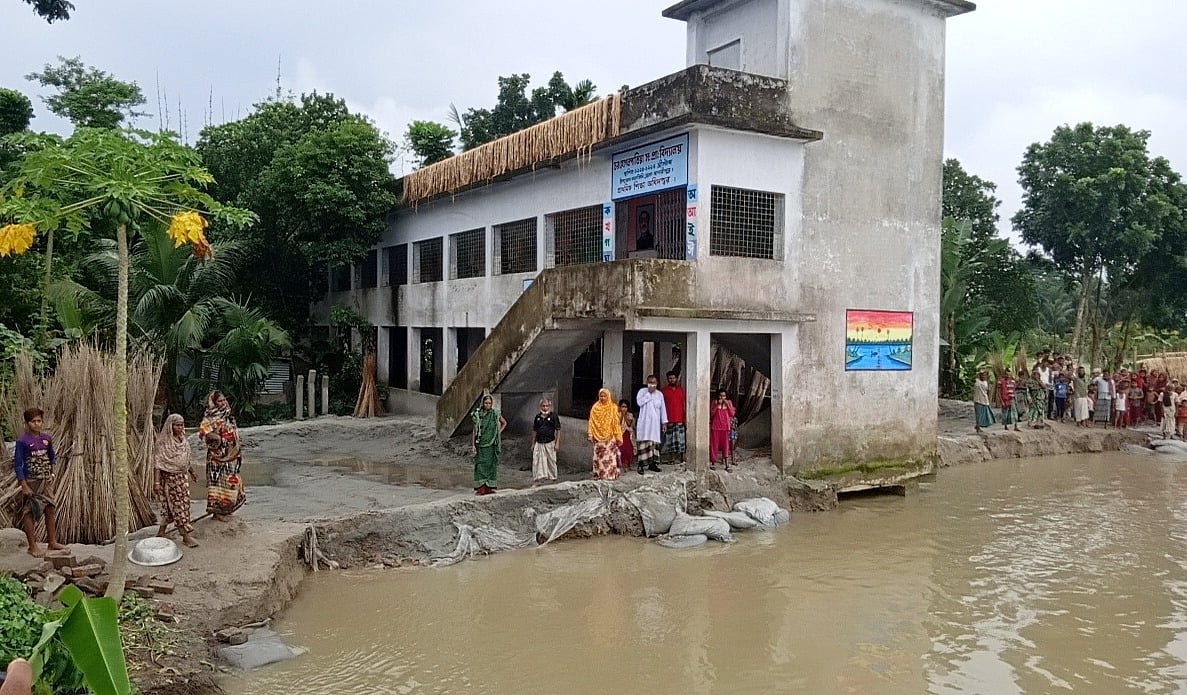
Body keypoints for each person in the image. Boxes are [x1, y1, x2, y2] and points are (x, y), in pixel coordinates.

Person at [9, 408, 66, 557]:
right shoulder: (22, 442)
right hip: (31, 481)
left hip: (45, 481)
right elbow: (18, 464)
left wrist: (52, 472)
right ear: (27, 423)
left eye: (39, 421)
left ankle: (52, 542)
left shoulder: (46, 438)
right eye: (33, 421)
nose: (37, 424)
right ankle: (32, 546)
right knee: (30, 512)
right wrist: (23, 484)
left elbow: (52, 456)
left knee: (50, 509)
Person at [198, 391, 247, 519]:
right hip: (216, 459)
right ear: (213, 403)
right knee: (217, 484)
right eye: (220, 401)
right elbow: (204, 434)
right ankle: (217, 512)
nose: (223, 403)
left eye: (224, 400)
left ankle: (226, 510)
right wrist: (218, 439)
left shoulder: (228, 415)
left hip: (230, 457)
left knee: (231, 482)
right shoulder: (209, 418)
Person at [154, 413, 198, 547]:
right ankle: (185, 536)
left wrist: (192, 472)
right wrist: (156, 483)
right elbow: (158, 464)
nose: (180, 428)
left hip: (182, 479)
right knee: (178, 507)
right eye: (177, 425)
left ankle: (161, 532)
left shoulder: (182, 441)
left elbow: (184, 461)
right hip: (170, 480)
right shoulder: (163, 443)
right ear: (170, 426)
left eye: (181, 425)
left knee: (174, 506)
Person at [470, 394, 507, 495]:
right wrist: (473, 445)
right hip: (480, 445)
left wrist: (497, 433)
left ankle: (489, 487)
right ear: (483, 403)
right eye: (486, 403)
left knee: (491, 465)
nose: (488, 405)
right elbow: (474, 430)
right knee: (480, 465)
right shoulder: (477, 415)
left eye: (489, 403)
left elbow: (504, 423)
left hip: (491, 445)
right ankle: (481, 487)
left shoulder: (495, 414)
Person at [587, 388, 623, 480]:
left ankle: (610, 476)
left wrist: (618, 436)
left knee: (609, 457)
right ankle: (599, 475)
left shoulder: (613, 407)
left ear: (608, 396)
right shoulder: (595, 408)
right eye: (601, 396)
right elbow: (591, 422)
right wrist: (590, 434)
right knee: (599, 458)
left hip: (610, 437)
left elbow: (616, 423)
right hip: (597, 438)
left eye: (604, 396)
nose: (602, 398)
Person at [635, 375, 668, 475]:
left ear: (657, 383)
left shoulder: (660, 394)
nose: (652, 385)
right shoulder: (642, 392)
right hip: (644, 423)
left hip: (655, 424)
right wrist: (648, 394)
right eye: (650, 382)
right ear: (647, 382)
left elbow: (663, 409)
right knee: (644, 443)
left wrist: (664, 422)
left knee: (654, 444)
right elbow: (639, 403)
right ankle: (641, 465)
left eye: (654, 382)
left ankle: (652, 464)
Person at [530, 399, 561, 487]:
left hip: (550, 442)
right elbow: (535, 431)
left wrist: (557, 442)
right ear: (541, 406)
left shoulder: (553, 416)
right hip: (539, 442)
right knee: (537, 461)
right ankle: (538, 480)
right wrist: (533, 443)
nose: (545, 408)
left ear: (549, 406)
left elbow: (558, 429)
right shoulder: (538, 417)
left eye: (546, 406)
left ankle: (554, 479)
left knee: (551, 461)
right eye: (543, 406)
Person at [660, 371, 687, 465]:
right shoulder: (664, 391)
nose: (672, 380)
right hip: (669, 419)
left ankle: (682, 457)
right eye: (670, 378)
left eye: (673, 378)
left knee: (681, 439)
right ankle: (671, 458)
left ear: (676, 379)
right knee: (670, 440)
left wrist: (685, 418)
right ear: (668, 379)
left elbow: (683, 404)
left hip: (680, 418)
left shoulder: (681, 390)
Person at [710, 390, 736, 471]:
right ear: (718, 396)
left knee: (726, 446)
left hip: (725, 427)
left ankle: (727, 464)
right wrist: (717, 405)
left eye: (724, 396)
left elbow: (732, 414)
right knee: (714, 445)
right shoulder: (714, 402)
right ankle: (713, 462)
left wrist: (728, 405)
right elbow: (711, 414)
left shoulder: (729, 402)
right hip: (716, 427)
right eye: (720, 396)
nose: (722, 397)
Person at [617, 399, 635, 472]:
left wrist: (624, 415)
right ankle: (623, 465)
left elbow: (629, 424)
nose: (624, 408)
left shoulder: (630, 415)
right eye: (622, 407)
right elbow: (619, 423)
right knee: (622, 450)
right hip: (621, 434)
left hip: (628, 434)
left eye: (625, 407)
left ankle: (628, 465)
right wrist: (621, 415)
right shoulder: (617, 415)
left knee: (628, 450)